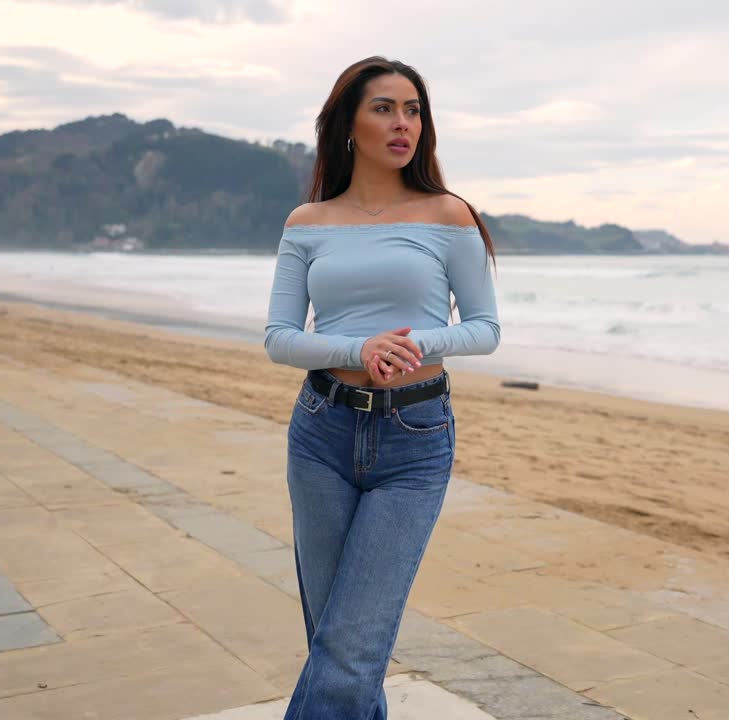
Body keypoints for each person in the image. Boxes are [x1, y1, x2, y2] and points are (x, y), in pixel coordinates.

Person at [263, 56, 501, 720]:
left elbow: (484, 329)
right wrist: (356, 349)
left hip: (414, 440)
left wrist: (418, 343)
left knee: (347, 659)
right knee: (337, 649)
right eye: (384, 108)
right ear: (348, 125)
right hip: (320, 435)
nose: (404, 123)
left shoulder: (448, 215)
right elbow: (280, 337)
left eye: (414, 110)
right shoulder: (307, 221)